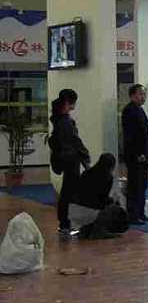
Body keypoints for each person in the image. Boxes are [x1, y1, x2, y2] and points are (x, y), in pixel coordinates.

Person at [48, 89, 91, 235]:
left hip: (65, 159)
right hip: (71, 160)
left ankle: (65, 223)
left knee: (67, 192)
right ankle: (66, 223)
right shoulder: (65, 121)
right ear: (68, 103)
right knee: (69, 192)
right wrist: (86, 158)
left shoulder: (58, 119)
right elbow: (75, 141)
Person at [69, 153, 129, 239]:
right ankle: (98, 231)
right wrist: (113, 201)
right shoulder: (108, 178)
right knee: (114, 209)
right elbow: (101, 200)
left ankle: (86, 229)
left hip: (73, 210)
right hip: (89, 211)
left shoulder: (86, 173)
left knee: (92, 205)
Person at [122, 83, 148, 225]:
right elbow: (131, 136)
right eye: (141, 94)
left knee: (142, 185)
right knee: (135, 185)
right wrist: (138, 153)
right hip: (136, 155)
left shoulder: (139, 110)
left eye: (144, 94)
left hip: (144, 154)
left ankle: (140, 212)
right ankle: (133, 215)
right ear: (133, 95)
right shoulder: (129, 110)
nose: (143, 97)